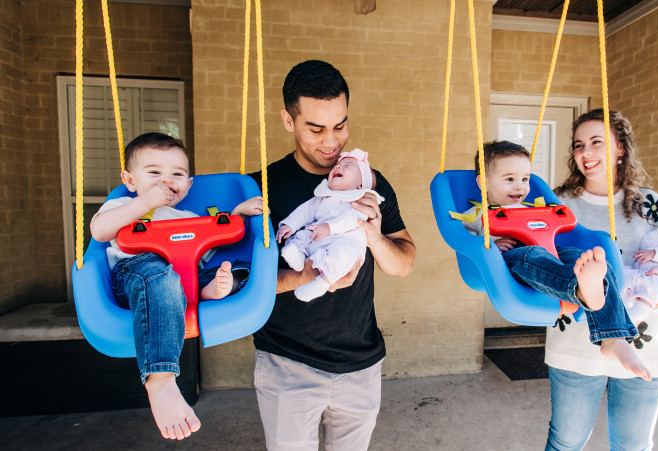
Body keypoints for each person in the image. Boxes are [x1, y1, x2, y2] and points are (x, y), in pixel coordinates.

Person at [248, 60, 416, 450]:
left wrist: (373, 235)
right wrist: (306, 277)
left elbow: (404, 263)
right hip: (287, 364)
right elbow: (242, 284)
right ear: (289, 121)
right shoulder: (260, 189)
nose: (332, 141)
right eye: (316, 128)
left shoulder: (367, 183)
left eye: (340, 125)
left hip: (361, 364)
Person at [545, 109, 658, 450]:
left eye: (596, 143)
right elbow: (529, 252)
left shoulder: (650, 204)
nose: (586, 153)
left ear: (621, 148)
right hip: (575, 344)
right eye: (578, 145)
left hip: (648, 346)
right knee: (566, 442)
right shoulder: (558, 204)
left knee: (632, 446)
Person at [90, 132, 264, 440]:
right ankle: (160, 381)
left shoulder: (186, 216)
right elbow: (100, 231)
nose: (166, 180)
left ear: (189, 184)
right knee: (160, 277)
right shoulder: (123, 204)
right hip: (137, 275)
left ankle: (203, 291)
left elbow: (212, 246)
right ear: (130, 180)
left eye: (177, 174)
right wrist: (145, 202)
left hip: (183, 277)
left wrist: (235, 215)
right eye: (155, 173)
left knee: (236, 271)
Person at [460, 141, 646, 379]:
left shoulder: (533, 208)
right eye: (509, 179)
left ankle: (613, 336)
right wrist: (491, 245)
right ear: (483, 182)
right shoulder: (476, 214)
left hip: (550, 253)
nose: (520, 186)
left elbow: (560, 226)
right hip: (509, 262)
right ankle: (579, 288)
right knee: (532, 256)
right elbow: (465, 240)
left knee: (586, 260)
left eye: (525, 179)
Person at [276, 148, 385, 302]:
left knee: (344, 254)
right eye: (337, 166)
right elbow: (306, 211)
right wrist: (290, 225)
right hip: (319, 238)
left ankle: (321, 283)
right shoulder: (324, 196)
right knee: (302, 235)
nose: (338, 167)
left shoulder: (359, 200)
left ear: (360, 185)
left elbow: (352, 220)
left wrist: (329, 228)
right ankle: (299, 260)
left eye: (347, 166)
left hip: (344, 241)